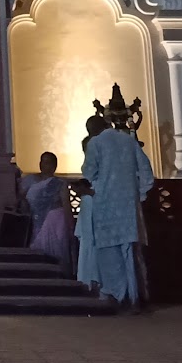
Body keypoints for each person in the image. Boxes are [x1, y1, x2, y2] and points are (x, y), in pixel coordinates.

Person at [80, 116, 154, 309]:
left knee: (110, 255)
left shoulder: (95, 143)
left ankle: (118, 296)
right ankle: (136, 296)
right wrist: (140, 194)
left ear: (92, 130)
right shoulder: (129, 141)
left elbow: (88, 172)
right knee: (131, 253)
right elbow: (146, 171)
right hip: (129, 207)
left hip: (105, 207)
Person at [20, 151, 75, 272]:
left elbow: (66, 205)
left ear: (55, 165)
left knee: (56, 254)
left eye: (48, 162)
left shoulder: (59, 184)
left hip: (54, 223)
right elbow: (21, 198)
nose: (44, 165)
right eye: (42, 162)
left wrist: (71, 226)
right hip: (34, 222)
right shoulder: (29, 180)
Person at [74, 116, 108, 293]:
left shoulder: (107, 147)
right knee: (89, 241)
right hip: (90, 202)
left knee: (97, 241)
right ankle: (89, 281)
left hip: (100, 199)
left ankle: (98, 282)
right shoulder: (91, 143)